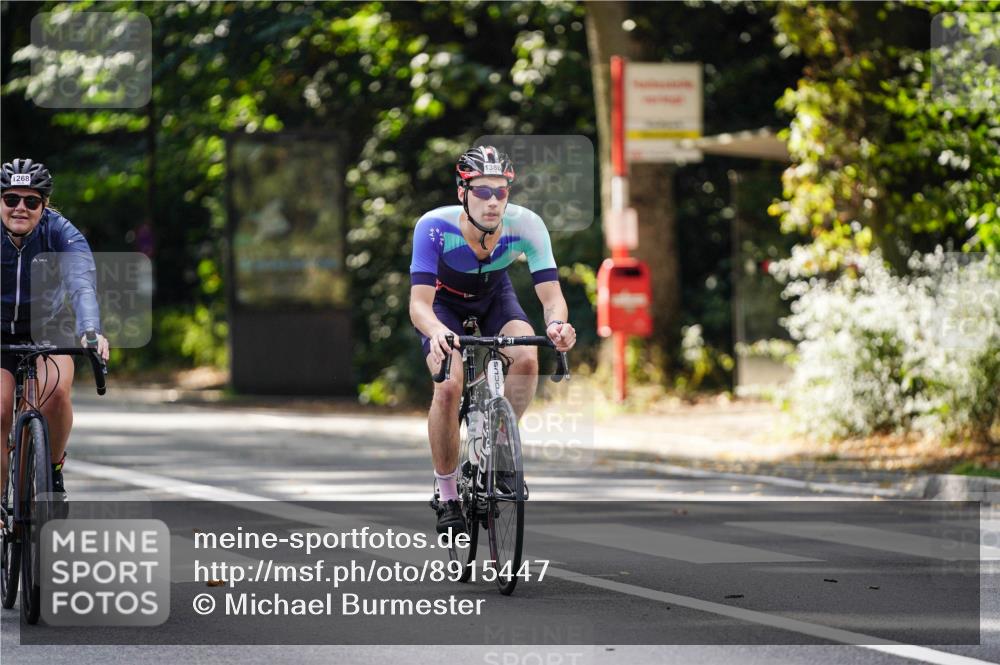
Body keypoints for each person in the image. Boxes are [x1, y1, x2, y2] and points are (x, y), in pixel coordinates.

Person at [409, 146, 576, 534]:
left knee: (527, 357)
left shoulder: (527, 225)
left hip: (494, 298)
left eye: (500, 192)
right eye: (482, 191)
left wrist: (557, 326)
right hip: (443, 307)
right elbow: (419, 305)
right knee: (448, 386)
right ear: (462, 193)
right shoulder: (434, 227)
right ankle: (447, 494)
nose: (493, 201)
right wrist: (437, 331)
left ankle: (497, 452)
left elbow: (552, 298)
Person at [1, 158, 110, 504]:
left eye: (31, 201)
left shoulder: (61, 233)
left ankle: (53, 470)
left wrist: (90, 330)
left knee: (56, 394)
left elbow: (81, 285)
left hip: (48, 326)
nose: (20, 207)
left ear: (44, 204)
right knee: (0, 409)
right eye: (11, 199)